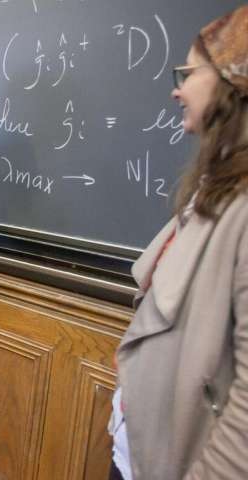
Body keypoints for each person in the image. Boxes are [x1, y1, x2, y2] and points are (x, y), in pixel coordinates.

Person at [109, 5, 248, 479]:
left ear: (232, 84)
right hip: (139, 453)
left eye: (188, 73)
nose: (177, 89)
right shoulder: (215, 188)